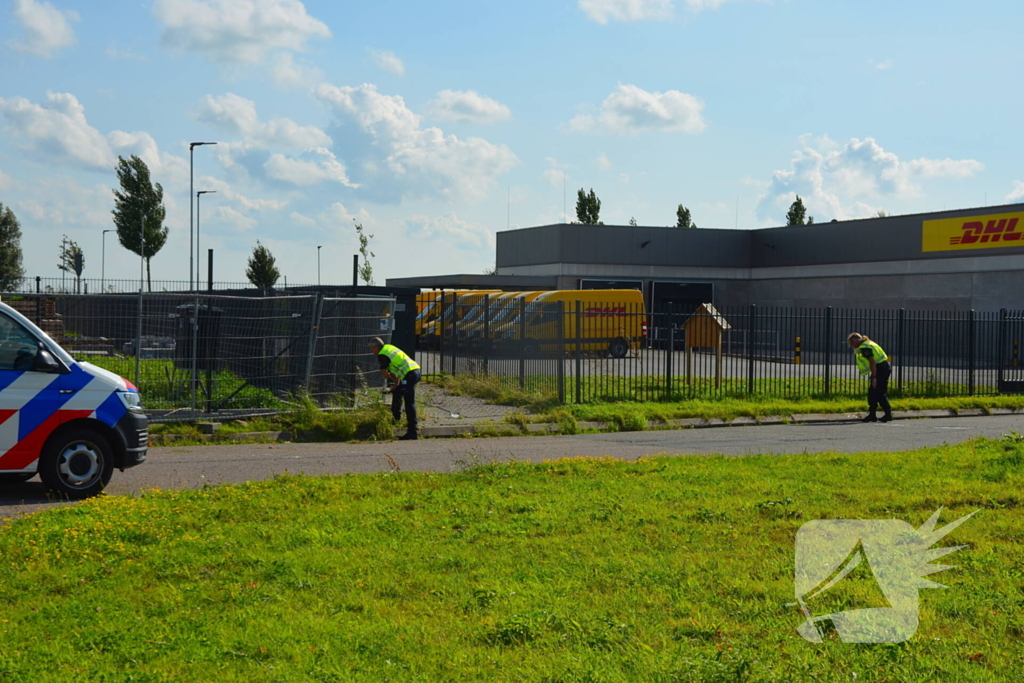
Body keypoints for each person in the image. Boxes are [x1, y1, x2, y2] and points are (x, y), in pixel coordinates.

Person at [369, 337, 421, 440]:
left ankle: (413, 431)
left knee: (409, 403)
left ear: (376, 347)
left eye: (372, 348)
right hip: (414, 372)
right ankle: (396, 419)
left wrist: (388, 375)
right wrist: (396, 385)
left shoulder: (382, 354)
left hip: (409, 375)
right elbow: (396, 369)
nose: (371, 351)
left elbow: (384, 374)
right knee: (397, 392)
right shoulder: (389, 348)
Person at [847, 332, 892, 423]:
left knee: (874, 392)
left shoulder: (865, 348)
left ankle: (876, 415)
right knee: (879, 392)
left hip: (881, 369)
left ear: (855, 341)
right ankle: (884, 414)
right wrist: (874, 374)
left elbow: (872, 362)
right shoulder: (868, 343)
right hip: (884, 367)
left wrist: (874, 377)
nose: (852, 346)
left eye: (852, 343)